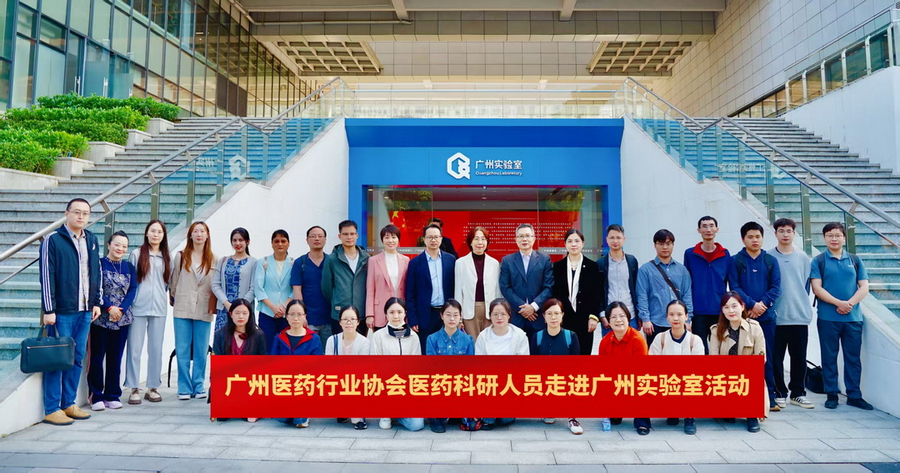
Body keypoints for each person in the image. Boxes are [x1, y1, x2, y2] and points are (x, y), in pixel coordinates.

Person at [38, 198, 101, 425]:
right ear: (67, 213)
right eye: (77, 212)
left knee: (76, 358)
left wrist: (96, 302)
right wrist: (49, 309)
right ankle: (52, 408)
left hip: (85, 311)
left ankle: (68, 403)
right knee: (58, 359)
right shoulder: (53, 240)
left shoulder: (91, 239)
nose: (81, 216)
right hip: (62, 312)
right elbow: (46, 276)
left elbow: (96, 273)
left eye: (85, 213)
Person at [811, 222, 872, 410]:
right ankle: (831, 394)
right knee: (829, 357)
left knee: (853, 358)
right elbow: (817, 288)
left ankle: (854, 395)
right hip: (828, 318)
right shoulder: (819, 261)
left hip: (853, 318)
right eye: (830, 235)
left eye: (837, 235)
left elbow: (864, 286)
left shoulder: (855, 260)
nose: (834, 239)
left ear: (844, 238)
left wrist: (849, 304)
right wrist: (839, 303)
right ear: (824, 238)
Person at [729, 221, 781, 412]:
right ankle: (742, 396)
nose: (754, 240)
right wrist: (751, 305)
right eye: (750, 237)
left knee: (766, 357)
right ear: (743, 239)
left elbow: (776, 288)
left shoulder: (770, 261)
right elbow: (735, 287)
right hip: (742, 318)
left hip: (766, 318)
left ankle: (770, 397)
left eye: (758, 236)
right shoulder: (735, 260)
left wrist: (761, 306)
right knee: (742, 357)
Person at [88, 231, 137, 412]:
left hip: (122, 319)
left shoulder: (129, 266)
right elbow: (96, 288)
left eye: (124, 246)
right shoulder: (100, 264)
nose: (120, 249)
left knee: (115, 358)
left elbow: (133, 289)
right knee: (97, 358)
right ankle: (96, 395)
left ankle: (112, 395)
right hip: (100, 318)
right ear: (109, 244)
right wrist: (109, 307)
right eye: (117, 244)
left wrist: (121, 309)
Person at [769, 218, 815, 409]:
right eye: (781, 231)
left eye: (789, 231)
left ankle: (798, 393)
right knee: (776, 358)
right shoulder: (768, 257)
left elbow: (805, 285)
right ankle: (779, 392)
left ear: (794, 234)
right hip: (776, 318)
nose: (785, 234)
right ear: (775, 233)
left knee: (799, 358)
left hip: (798, 316)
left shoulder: (803, 258)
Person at [170, 221, 217, 401]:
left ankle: (198, 385)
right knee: (182, 348)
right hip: (183, 306)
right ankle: (183, 387)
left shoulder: (214, 258)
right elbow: (174, 281)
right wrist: (176, 296)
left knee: (201, 349)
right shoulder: (181, 256)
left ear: (207, 234)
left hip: (204, 308)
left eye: (202, 231)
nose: (198, 234)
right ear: (190, 235)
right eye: (195, 231)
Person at [125, 220, 171, 405]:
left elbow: (168, 283)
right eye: (153, 231)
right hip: (138, 307)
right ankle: (134, 387)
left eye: (159, 232)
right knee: (134, 349)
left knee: (156, 349)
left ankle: (153, 387)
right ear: (146, 233)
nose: (156, 234)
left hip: (159, 308)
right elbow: (130, 281)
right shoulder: (136, 254)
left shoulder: (167, 257)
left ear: (163, 235)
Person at [709, 292, 768, 432]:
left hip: (748, 372)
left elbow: (761, 356)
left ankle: (751, 415)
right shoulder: (716, 330)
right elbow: (713, 358)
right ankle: (728, 409)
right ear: (722, 310)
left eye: (734, 306)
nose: (731, 310)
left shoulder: (754, 327)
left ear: (742, 307)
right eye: (726, 307)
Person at [649, 300, 704, 434]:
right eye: (671, 314)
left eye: (679, 314)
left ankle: (689, 417)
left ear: (686, 316)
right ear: (667, 317)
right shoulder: (660, 338)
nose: (675, 318)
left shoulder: (695, 340)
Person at [370, 298, 425, 431]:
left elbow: (416, 366)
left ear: (405, 313)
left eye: (399, 312)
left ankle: (397, 414)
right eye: (392, 312)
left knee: (417, 425)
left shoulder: (413, 336)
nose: (396, 316)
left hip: (406, 386)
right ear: (386, 314)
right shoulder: (378, 336)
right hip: (386, 385)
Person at [530, 299, 583, 435]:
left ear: (562, 315)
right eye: (549, 314)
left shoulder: (571, 336)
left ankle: (572, 418)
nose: (553, 317)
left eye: (557, 313)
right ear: (544, 316)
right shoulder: (537, 337)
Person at [475, 298, 529, 429]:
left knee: (505, 419)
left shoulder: (519, 335)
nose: (499, 318)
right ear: (490, 316)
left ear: (509, 315)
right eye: (495, 314)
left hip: (510, 382)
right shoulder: (483, 336)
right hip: (490, 382)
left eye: (503, 314)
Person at [683, 216, 733, 354]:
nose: (708, 229)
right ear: (698, 230)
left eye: (711, 226)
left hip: (719, 311)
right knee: (700, 349)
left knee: (721, 348)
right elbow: (686, 284)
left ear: (717, 229)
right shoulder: (690, 254)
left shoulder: (725, 254)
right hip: (698, 311)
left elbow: (730, 281)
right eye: (704, 226)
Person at [598, 301, 650, 434]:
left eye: (622, 316)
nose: (618, 320)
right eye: (613, 317)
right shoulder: (605, 341)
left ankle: (642, 422)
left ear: (628, 318)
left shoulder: (638, 339)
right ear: (609, 321)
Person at [212, 298, 267, 422]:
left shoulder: (258, 335)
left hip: (250, 382)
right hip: (228, 381)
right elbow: (217, 363)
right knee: (222, 417)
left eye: (244, 313)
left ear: (250, 315)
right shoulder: (220, 335)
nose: (241, 316)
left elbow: (263, 364)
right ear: (231, 314)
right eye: (237, 313)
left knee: (250, 418)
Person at [270, 299, 322, 428]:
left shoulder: (313, 338)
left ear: (305, 316)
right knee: (283, 418)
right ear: (286, 317)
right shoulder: (279, 338)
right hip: (285, 381)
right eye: (292, 314)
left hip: (305, 381)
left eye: (299, 314)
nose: (295, 318)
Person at [636, 229, 693, 345]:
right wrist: (645, 319)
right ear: (655, 245)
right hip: (655, 323)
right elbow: (642, 296)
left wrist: (688, 320)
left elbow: (687, 295)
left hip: (678, 322)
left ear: (673, 245)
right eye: (661, 244)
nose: (665, 247)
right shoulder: (645, 270)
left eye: (668, 243)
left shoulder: (682, 270)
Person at [425, 299, 474, 433]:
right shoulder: (432, 339)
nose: (452, 319)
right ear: (441, 316)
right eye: (448, 315)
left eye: (455, 315)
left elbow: (470, 367)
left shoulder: (468, 340)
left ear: (460, 316)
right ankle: (435, 417)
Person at [407, 223, 456, 352]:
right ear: (424, 239)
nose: (433, 240)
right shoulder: (415, 263)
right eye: (430, 237)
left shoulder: (451, 260)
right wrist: (413, 319)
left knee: (447, 350)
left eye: (436, 237)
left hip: (446, 313)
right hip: (425, 315)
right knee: (426, 350)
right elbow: (410, 293)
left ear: (441, 238)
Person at [552, 229, 602, 355]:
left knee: (583, 355)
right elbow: (555, 294)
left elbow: (597, 294)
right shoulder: (558, 267)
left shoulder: (592, 266)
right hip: (564, 319)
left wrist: (594, 317)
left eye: (577, 241)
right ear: (565, 244)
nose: (573, 244)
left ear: (582, 243)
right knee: (564, 355)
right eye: (569, 241)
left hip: (585, 320)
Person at [499, 223, 554, 337]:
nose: (524, 239)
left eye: (528, 236)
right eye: (521, 236)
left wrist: (533, 307)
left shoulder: (544, 259)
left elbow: (548, 287)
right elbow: (505, 287)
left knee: (537, 347)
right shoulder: (507, 261)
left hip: (538, 317)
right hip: (516, 316)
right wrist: (523, 307)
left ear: (534, 238)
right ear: (516, 239)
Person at [324, 306, 371, 430]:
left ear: (358, 322)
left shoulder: (364, 342)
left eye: (352, 319)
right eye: (345, 319)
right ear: (340, 322)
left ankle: (357, 414)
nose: (349, 322)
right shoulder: (332, 340)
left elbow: (362, 369)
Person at [322, 220, 369, 335]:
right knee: (340, 344)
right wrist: (338, 299)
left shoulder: (366, 258)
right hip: (340, 314)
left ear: (357, 235)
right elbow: (326, 287)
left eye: (352, 234)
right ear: (339, 236)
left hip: (361, 313)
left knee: (361, 344)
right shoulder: (332, 259)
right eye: (345, 234)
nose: (349, 237)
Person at [454, 226, 500, 341]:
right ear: (470, 242)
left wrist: (498, 311)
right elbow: (458, 291)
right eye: (476, 239)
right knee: (472, 343)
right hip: (469, 310)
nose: (480, 242)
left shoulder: (494, 263)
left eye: (483, 239)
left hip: (489, 310)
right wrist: (458, 317)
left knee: (489, 343)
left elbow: (497, 291)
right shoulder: (460, 263)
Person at [291, 226, 331, 351]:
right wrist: (301, 316)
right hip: (309, 319)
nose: (316, 239)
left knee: (327, 354)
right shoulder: (300, 262)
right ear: (307, 240)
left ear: (325, 239)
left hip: (329, 318)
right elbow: (297, 290)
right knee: (308, 353)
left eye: (320, 236)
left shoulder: (331, 261)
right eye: (313, 236)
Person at [255, 230, 294, 352]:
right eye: (276, 241)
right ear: (272, 244)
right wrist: (273, 307)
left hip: (287, 314)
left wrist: (284, 307)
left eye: (283, 241)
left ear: (288, 244)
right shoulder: (263, 262)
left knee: (286, 348)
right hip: (267, 312)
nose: (280, 244)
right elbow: (258, 288)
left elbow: (296, 289)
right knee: (267, 348)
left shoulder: (294, 263)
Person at [212, 228, 257, 332]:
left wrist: (241, 306)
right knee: (223, 339)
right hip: (225, 309)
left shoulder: (253, 262)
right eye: (234, 240)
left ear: (247, 242)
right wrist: (226, 303)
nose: (237, 243)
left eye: (241, 240)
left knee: (242, 339)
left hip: (244, 312)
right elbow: (215, 284)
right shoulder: (223, 261)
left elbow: (254, 287)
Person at [366, 224, 410, 331]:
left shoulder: (406, 260)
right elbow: (370, 289)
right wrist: (369, 314)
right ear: (382, 240)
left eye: (394, 237)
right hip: (380, 311)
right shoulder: (373, 260)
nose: (390, 240)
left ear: (398, 239)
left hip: (400, 311)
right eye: (387, 237)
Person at [598, 224, 639, 335]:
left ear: (624, 239)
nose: (615, 241)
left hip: (630, 316)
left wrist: (639, 314)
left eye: (618, 237)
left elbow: (636, 288)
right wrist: (602, 315)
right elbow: (598, 292)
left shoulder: (632, 261)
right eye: (612, 238)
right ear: (607, 240)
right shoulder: (600, 263)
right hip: (609, 318)